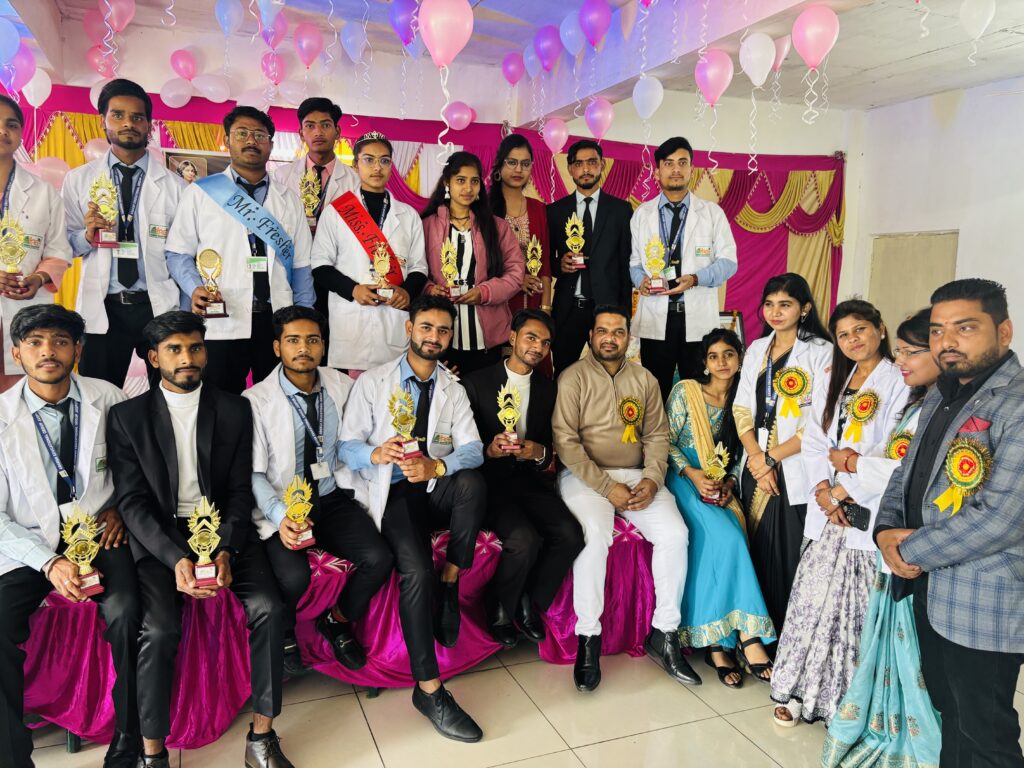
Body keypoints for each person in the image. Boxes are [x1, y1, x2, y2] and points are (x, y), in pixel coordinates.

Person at [107, 311, 293, 768]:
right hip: (161, 536)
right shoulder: (127, 417)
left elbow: (238, 491)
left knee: (269, 608)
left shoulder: (233, 409)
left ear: (206, 353)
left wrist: (226, 548)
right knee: (158, 629)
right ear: (154, 358)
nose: (187, 358)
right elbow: (132, 503)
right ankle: (153, 753)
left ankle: (262, 736)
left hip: (224, 529)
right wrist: (175, 558)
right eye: (174, 349)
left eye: (195, 347)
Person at [875, 279, 1024, 767]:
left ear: (1004, 332)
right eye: (938, 331)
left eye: (965, 328)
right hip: (931, 590)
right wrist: (884, 531)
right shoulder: (941, 393)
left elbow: (1003, 518)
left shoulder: (1017, 404)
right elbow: (907, 471)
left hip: (984, 598)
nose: (947, 342)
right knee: (950, 714)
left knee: (986, 735)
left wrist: (907, 551)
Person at [339, 295, 486, 742]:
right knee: (417, 571)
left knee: (472, 483)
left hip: (433, 484)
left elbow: (473, 450)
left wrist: (437, 466)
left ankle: (451, 579)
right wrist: (375, 453)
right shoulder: (374, 382)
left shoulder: (453, 388)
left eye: (443, 331)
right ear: (409, 329)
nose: (434, 337)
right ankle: (429, 689)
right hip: (394, 490)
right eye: (426, 327)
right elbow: (346, 445)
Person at [0, 305, 139, 768]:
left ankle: (128, 739)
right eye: (35, 342)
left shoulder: (109, 397)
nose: (48, 352)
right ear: (16, 352)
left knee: (127, 614)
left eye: (60, 341)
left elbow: (137, 470)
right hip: (29, 544)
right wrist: (48, 562)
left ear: (78, 350)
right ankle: (13, 757)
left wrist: (120, 506)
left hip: (100, 533)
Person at [771, 299, 908, 727]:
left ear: (880, 328)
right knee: (810, 601)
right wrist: (821, 489)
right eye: (844, 334)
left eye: (860, 329)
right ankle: (795, 689)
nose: (852, 340)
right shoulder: (835, 376)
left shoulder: (898, 381)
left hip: (861, 507)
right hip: (826, 507)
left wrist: (844, 491)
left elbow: (892, 450)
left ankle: (839, 701)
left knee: (850, 611)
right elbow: (814, 439)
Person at [552, 305, 697, 691]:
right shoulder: (573, 377)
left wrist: (652, 478)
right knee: (595, 536)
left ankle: (664, 633)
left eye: (618, 332)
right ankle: (588, 638)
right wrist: (606, 487)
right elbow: (565, 442)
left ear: (628, 338)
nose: (610, 338)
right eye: (602, 331)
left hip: (636, 475)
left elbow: (657, 436)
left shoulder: (644, 378)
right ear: (591, 336)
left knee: (675, 534)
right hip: (584, 476)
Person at [245, 306, 394, 675]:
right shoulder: (256, 401)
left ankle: (337, 620)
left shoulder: (343, 386)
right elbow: (255, 474)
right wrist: (280, 517)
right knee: (294, 577)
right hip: (284, 504)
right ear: (277, 347)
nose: (303, 348)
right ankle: (284, 631)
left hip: (331, 495)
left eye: (312, 340)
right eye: (293, 340)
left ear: (323, 345)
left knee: (378, 559)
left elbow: (371, 423)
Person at [822, 307, 941, 767]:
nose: (901, 360)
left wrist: (850, 466)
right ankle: (885, 719)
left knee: (909, 647)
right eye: (902, 351)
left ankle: (914, 735)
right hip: (887, 534)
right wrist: (838, 481)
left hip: (912, 540)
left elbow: (900, 471)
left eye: (911, 352)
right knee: (887, 637)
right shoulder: (919, 402)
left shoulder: (935, 408)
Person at [165, 106, 315, 395]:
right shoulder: (200, 193)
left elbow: (301, 266)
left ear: (271, 144)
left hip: (276, 321)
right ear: (227, 140)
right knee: (219, 401)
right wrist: (195, 288)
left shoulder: (289, 199)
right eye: (242, 133)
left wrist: (303, 318)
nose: (251, 140)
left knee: (276, 400)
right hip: (221, 316)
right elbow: (177, 253)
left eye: (259, 135)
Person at [463, 308, 584, 647]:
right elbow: (462, 444)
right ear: (513, 337)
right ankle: (499, 607)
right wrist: (489, 451)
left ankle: (531, 599)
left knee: (571, 535)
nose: (538, 347)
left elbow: (550, 445)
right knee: (524, 540)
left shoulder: (548, 389)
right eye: (531, 338)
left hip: (529, 481)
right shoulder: (476, 382)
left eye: (545, 343)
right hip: (488, 482)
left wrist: (538, 452)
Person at [665, 329, 775, 689]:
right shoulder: (687, 391)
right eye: (713, 356)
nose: (722, 362)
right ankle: (735, 637)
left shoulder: (744, 401)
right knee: (725, 538)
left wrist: (727, 483)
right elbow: (665, 442)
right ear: (704, 363)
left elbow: (742, 454)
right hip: (683, 476)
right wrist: (693, 474)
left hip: (719, 480)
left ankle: (729, 640)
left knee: (732, 536)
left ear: (740, 359)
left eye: (728, 354)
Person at [62, 78, 187, 388]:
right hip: (104, 305)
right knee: (98, 396)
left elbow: (184, 252)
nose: (128, 123)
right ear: (103, 121)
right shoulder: (78, 180)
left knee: (171, 394)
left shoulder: (176, 187)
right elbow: (64, 244)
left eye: (137, 117)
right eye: (118, 115)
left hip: (158, 304)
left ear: (149, 125)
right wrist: (87, 236)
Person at [734, 273, 832, 635]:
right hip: (755, 463)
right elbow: (741, 408)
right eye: (769, 304)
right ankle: (752, 636)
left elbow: (821, 419)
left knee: (786, 554)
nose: (775, 312)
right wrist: (757, 458)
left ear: (804, 308)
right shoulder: (757, 349)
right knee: (754, 550)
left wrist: (771, 458)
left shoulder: (822, 352)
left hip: (794, 467)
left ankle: (787, 639)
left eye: (785, 305)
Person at [310, 131, 427, 374]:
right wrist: (353, 290)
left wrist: (407, 291)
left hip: (393, 319)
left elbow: (419, 267)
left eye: (384, 160)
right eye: (369, 159)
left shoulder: (408, 215)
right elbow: (320, 265)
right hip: (351, 319)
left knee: (393, 393)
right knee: (347, 395)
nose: (377, 167)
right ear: (355, 165)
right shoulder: (336, 212)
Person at [631, 137, 738, 401]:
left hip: (697, 319)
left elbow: (728, 262)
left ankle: (696, 430)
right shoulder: (642, 214)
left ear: (692, 169)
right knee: (655, 394)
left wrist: (696, 278)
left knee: (697, 392)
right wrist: (641, 280)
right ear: (658, 171)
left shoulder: (711, 213)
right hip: (656, 317)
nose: (676, 169)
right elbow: (634, 262)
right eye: (669, 163)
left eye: (682, 162)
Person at [421, 151, 524, 376]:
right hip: (440, 335)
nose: (468, 188)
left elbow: (516, 272)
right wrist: (429, 289)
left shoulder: (496, 227)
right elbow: (414, 269)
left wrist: (485, 292)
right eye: (461, 180)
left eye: (474, 181)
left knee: (484, 395)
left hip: (487, 340)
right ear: (447, 182)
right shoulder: (426, 225)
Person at [0, 96, 72, 392]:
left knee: (23, 391)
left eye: (11, 125)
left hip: (25, 306)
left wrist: (39, 277)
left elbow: (59, 250)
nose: (3, 131)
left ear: (20, 133)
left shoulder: (44, 193)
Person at [274, 97, 359, 341]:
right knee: (297, 335)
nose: (318, 132)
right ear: (301, 133)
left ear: (338, 132)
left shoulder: (354, 181)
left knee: (333, 338)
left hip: (337, 269)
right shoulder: (281, 176)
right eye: (310, 125)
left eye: (325, 125)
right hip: (294, 268)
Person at [547, 140, 633, 375]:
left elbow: (625, 265)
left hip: (607, 311)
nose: (586, 169)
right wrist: (559, 264)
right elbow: (546, 261)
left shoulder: (621, 210)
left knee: (609, 373)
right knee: (563, 373)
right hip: (568, 308)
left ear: (602, 165)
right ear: (570, 168)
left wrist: (625, 315)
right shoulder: (555, 211)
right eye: (579, 164)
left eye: (592, 162)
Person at [488, 136, 553, 351]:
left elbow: (544, 262)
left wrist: (545, 308)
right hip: (498, 304)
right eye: (512, 162)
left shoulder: (538, 208)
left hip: (534, 302)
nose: (519, 169)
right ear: (499, 165)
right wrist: (517, 280)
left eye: (525, 164)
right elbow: (481, 262)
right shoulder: (485, 208)